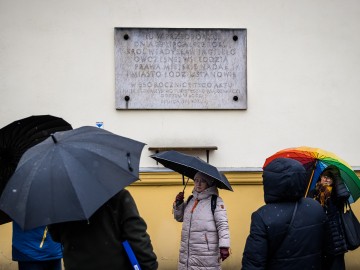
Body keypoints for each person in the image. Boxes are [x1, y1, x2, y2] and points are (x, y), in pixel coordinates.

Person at [242, 158, 328, 270]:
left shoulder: (263, 216)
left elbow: (254, 263)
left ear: (270, 183)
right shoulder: (315, 207)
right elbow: (328, 252)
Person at [48, 189, 158, 270]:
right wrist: (149, 266)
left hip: (76, 264)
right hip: (114, 265)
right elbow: (136, 237)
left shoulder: (59, 201)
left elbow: (55, 235)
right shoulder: (118, 196)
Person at [173, 171, 230, 269]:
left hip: (206, 254)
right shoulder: (191, 199)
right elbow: (179, 218)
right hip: (187, 253)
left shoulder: (215, 201)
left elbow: (222, 225)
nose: (198, 184)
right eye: (196, 180)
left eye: (202, 181)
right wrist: (178, 204)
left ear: (208, 183)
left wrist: (224, 246)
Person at [307, 165, 350, 270]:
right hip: (318, 234)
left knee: (336, 265)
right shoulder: (314, 192)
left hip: (334, 236)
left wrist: (336, 176)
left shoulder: (337, 194)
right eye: (324, 176)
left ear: (334, 180)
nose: (326, 179)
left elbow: (344, 195)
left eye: (329, 177)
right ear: (320, 177)